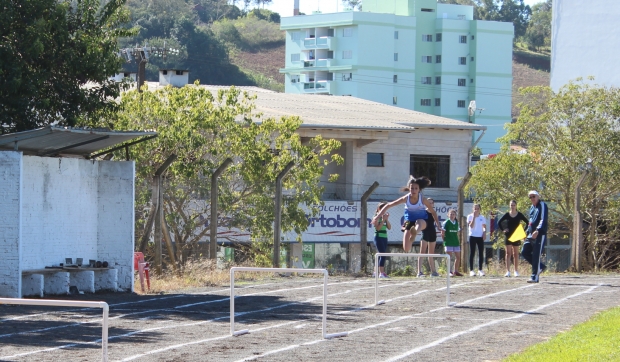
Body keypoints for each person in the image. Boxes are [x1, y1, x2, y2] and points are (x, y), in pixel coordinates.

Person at [372, 176, 440, 254]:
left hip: (423, 221)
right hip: (409, 222)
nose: (413, 190)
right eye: (412, 188)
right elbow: (388, 205)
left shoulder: (422, 199)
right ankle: (412, 235)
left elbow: (433, 212)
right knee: (407, 248)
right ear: (409, 188)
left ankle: (414, 233)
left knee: (419, 222)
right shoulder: (406, 198)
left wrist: (438, 224)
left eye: (416, 188)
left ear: (419, 190)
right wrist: (377, 217)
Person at [522, 190, 548, 283]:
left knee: (536, 254)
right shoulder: (532, 207)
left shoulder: (542, 205)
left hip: (540, 234)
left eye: (534, 196)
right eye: (530, 197)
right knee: (524, 252)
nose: (532, 198)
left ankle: (534, 276)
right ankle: (540, 267)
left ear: (538, 196)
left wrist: (538, 230)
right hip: (530, 234)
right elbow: (530, 221)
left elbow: (543, 219)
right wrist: (526, 233)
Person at [498, 200, 529, 277]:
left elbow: (527, 222)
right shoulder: (507, 214)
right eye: (511, 205)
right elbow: (499, 222)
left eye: (514, 205)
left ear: (516, 206)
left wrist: (522, 232)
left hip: (516, 236)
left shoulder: (519, 215)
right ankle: (508, 271)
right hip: (508, 235)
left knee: (516, 254)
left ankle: (516, 271)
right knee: (508, 253)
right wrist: (504, 230)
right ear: (509, 206)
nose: (512, 206)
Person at [418, 198, 439, 277]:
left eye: (431, 203)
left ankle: (433, 272)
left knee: (431, 253)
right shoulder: (423, 212)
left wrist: (439, 227)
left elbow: (437, 222)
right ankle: (419, 272)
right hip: (425, 233)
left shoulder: (434, 212)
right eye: (428, 203)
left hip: (432, 233)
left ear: (433, 204)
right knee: (422, 252)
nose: (430, 204)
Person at [372, 202, 391, 278]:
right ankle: (382, 273)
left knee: (380, 255)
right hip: (378, 237)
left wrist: (386, 220)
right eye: (382, 208)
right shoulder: (376, 217)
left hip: (384, 237)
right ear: (378, 209)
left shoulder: (384, 217)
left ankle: (375, 272)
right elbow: (378, 228)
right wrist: (383, 220)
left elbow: (389, 227)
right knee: (382, 254)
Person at [467, 204, 487, 276]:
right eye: (475, 208)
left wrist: (484, 232)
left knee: (481, 253)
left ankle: (480, 269)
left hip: (480, 236)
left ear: (480, 209)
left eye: (477, 208)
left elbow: (484, 227)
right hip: (472, 236)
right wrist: (474, 217)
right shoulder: (470, 216)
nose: (476, 210)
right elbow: (471, 226)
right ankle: (471, 270)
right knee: (472, 252)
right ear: (473, 209)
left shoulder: (482, 217)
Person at [442, 209, 463, 276]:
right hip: (448, 242)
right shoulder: (446, 222)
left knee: (458, 257)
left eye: (453, 214)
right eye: (451, 214)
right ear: (448, 215)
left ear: (455, 215)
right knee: (449, 257)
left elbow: (458, 231)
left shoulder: (457, 223)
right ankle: (449, 271)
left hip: (455, 242)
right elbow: (442, 233)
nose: (452, 215)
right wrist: (445, 240)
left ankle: (455, 271)